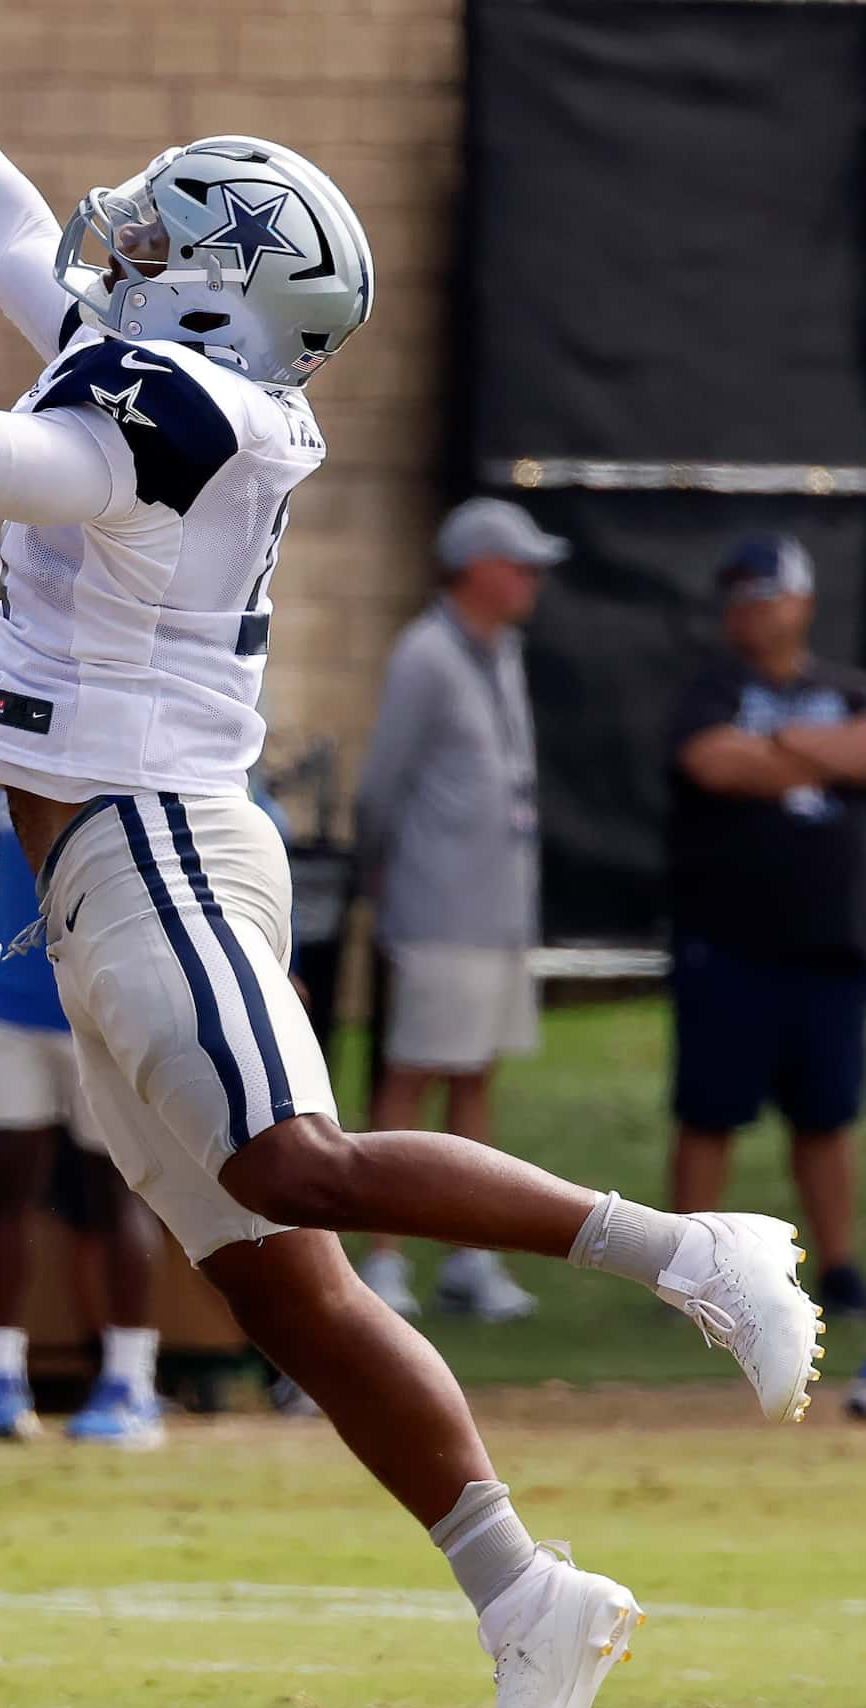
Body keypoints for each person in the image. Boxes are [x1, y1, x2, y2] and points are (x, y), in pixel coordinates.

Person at [0, 16, 823, 1708]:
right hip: (104, 858)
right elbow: (21, 258)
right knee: (277, 1281)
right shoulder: (154, 358)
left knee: (294, 1165)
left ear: (230, 296)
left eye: (169, 240)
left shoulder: (190, 411)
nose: (125, 249)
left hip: (154, 833)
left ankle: (696, 1253)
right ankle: (525, 1594)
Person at [353, 498, 565, 1324]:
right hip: (436, 905)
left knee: (476, 1075)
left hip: (498, 910)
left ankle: (469, 1254)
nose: (531, 580)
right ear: (474, 566)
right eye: (519, 564)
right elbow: (381, 788)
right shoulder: (425, 654)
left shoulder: (501, 650)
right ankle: (381, 1258)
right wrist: (383, 874)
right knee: (409, 1076)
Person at [668, 534, 866, 1321]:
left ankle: (840, 1269)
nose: (749, 612)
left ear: (803, 602)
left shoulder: (843, 687)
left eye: (765, 595)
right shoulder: (706, 690)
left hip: (828, 943)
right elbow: (714, 765)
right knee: (709, 1111)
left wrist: (781, 743)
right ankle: (684, 1270)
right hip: (727, 941)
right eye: (738, 598)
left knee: (824, 1115)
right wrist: (826, 757)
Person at [0, 802, 162, 1447]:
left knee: (119, 1188)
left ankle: (132, 1382)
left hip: (104, 1000)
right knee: (6, 1182)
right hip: (5, 1000)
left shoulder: (135, 743)